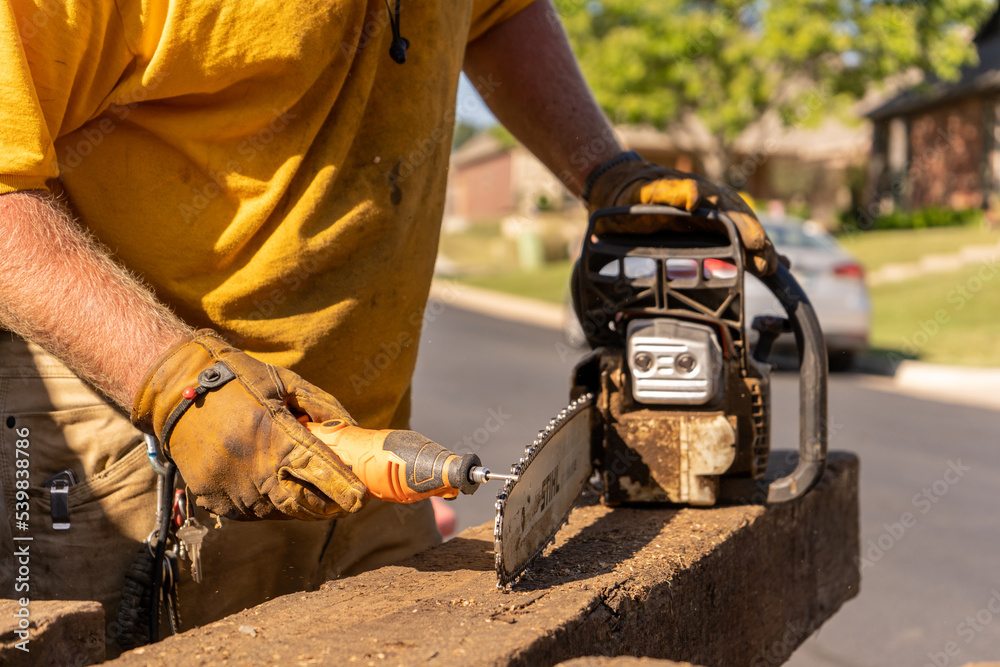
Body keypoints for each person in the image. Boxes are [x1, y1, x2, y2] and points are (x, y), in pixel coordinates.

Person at [0, 0, 778, 654]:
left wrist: (603, 168)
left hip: (362, 446)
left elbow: (497, 16)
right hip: (127, 431)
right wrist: (170, 379)